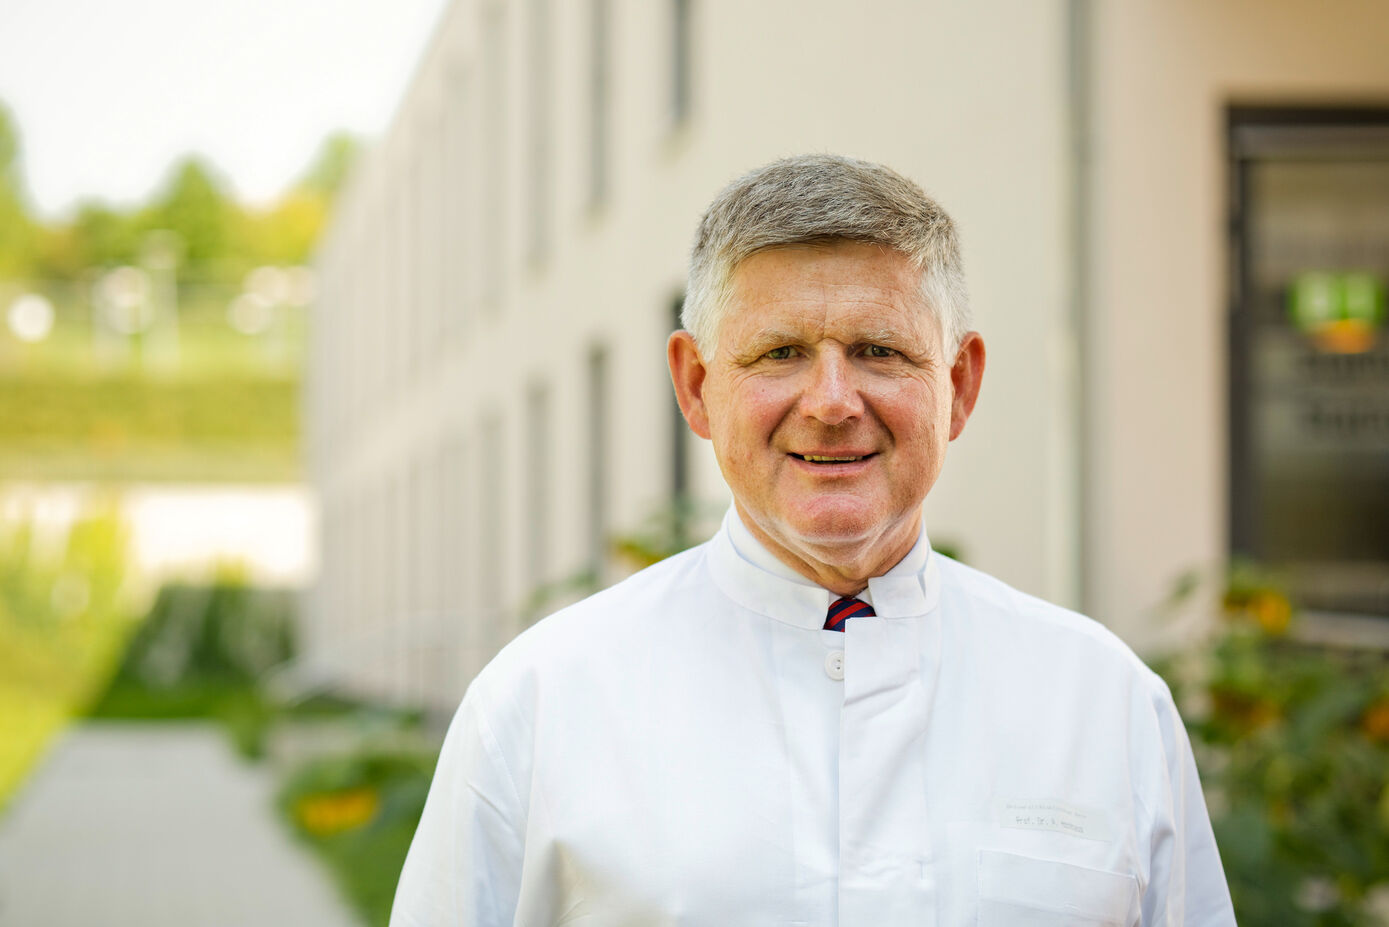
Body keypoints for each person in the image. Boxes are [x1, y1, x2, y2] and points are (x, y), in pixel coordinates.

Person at [390, 154, 1236, 926]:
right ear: (695, 386)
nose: (832, 400)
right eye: (780, 352)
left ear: (959, 385)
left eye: (879, 350)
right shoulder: (541, 702)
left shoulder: (1102, 701)